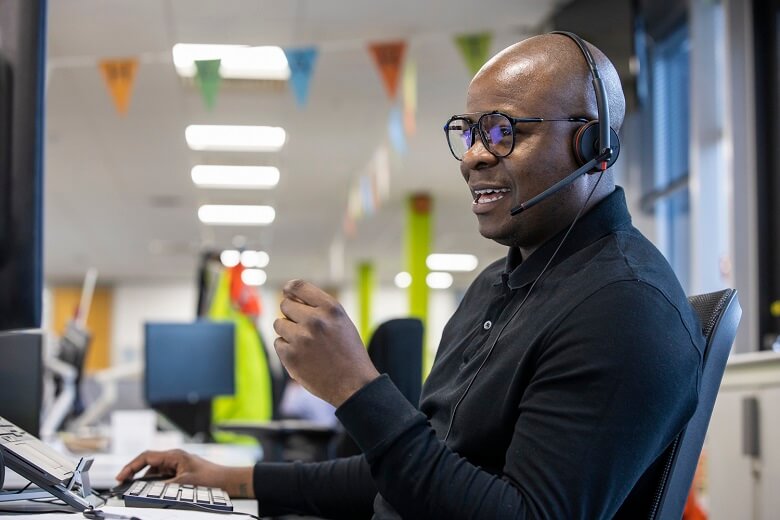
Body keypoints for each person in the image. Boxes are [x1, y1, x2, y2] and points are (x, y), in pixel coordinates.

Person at [117, 33, 704, 519]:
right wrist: (230, 478)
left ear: (591, 144)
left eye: (503, 131)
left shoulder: (623, 306)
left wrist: (355, 388)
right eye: (469, 132)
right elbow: (411, 469)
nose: (474, 154)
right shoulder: (495, 289)